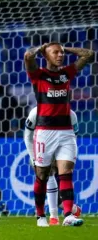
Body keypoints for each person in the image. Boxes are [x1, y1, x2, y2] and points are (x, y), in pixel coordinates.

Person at [24, 42, 94, 226]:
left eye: (61, 53)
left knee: (66, 173)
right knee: (42, 175)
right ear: (46, 56)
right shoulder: (38, 75)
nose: (60, 55)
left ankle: (68, 215)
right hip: (45, 131)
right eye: (55, 52)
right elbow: (27, 57)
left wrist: (66, 48)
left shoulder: (66, 74)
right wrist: (41, 48)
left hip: (66, 132)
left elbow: (89, 54)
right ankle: (40, 216)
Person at [24, 106, 81, 225]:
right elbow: (27, 136)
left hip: (60, 147)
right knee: (46, 176)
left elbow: (74, 136)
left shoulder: (71, 115)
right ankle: (60, 214)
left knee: (62, 175)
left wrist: (66, 154)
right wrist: (33, 157)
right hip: (40, 148)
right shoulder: (35, 113)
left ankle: (58, 215)